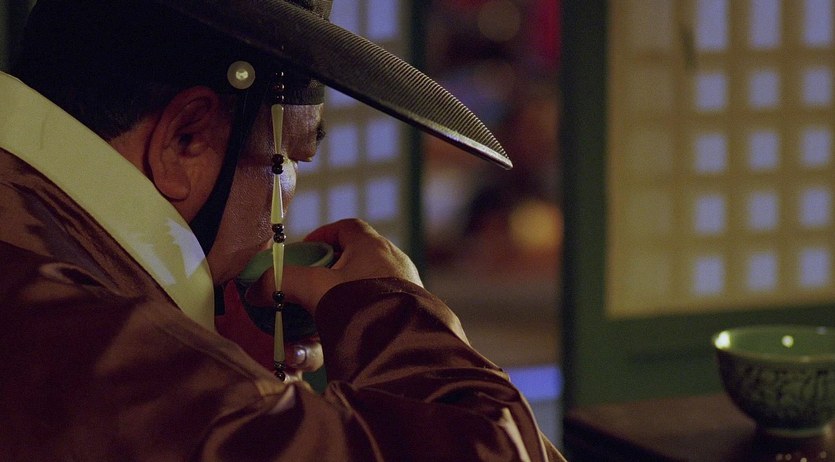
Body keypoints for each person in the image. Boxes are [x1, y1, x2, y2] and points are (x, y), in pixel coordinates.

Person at [0, 0, 565, 460]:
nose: (289, 201)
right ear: (185, 142)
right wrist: (390, 312)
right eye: (287, 158)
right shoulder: (129, 368)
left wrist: (212, 356)